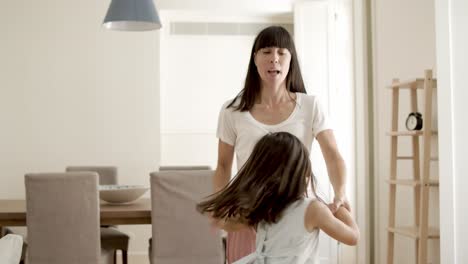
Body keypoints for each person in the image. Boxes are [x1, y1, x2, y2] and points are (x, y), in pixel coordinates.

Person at [214, 26, 349, 262]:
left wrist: (340, 193)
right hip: (248, 214)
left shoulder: (310, 106)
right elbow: (223, 165)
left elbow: (332, 154)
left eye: (281, 52)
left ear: (290, 60)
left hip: (296, 217)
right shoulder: (232, 110)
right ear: (255, 58)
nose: (274, 58)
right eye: (266, 51)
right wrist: (220, 207)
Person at [200, 132, 359, 264]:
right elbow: (352, 237)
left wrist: (219, 220)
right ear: (304, 173)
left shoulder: (264, 206)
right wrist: (340, 209)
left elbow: (232, 225)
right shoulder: (314, 209)